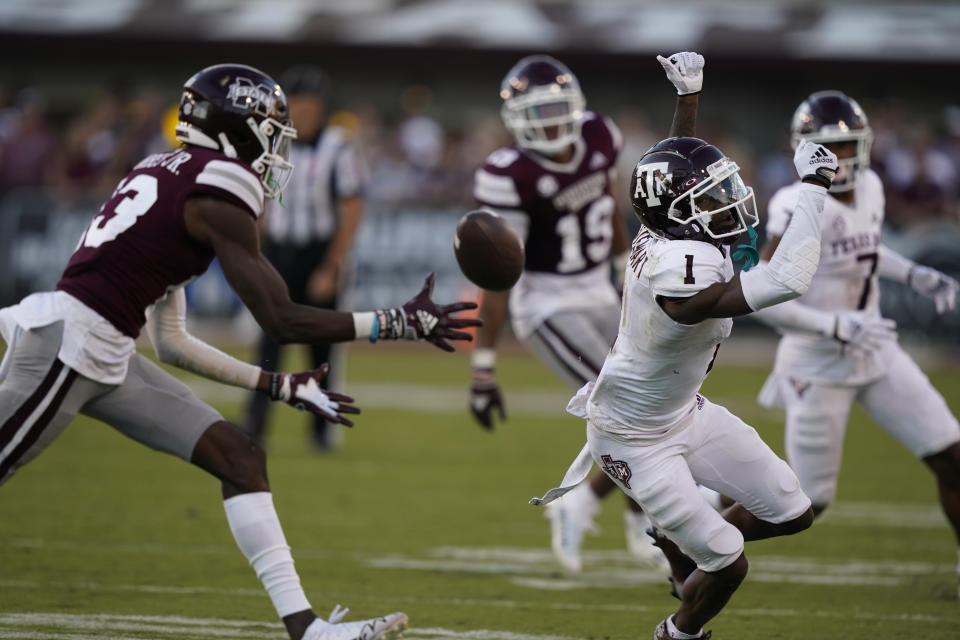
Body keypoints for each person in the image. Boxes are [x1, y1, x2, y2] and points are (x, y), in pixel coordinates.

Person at [0, 63, 480, 640]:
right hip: (70, 346)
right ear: (237, 128)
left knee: (240, 456)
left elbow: (171, 344)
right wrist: (397, 322)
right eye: (269, 130)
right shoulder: (222, 182)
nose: (275, 147)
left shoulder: (165, 168)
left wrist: (274, 385)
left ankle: (309, 630)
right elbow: (280, 317)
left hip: (105, 351)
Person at [530, 136, 840, 639]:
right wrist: (814, 184)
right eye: (710, 199)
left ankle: (677, 540)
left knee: (793, 513)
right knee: (729, 566)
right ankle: (677, 633)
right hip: (631, 440)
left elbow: (671, 163)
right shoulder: (680, 275)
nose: (727, 204)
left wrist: (687, 96)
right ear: (677, 215)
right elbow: (787, 280)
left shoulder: (665, 230)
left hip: (685, 413)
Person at [469, 51, 708, 573]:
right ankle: (634, 517)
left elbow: (608, 202)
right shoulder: (508, 174)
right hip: (550, 305)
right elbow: (501, 273)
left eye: (557, 110)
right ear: (516, 122)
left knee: (650, 401)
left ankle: (607, 510)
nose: (551, 123)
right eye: (537, 114)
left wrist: (628, 271)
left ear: (575, 108)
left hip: (603, 293)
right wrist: (483, 365)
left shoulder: (600, 135)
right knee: (628, 404)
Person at [752, 90, 960, 596]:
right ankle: (691, 531)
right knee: (807, 503)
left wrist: (913, 274)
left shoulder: (869, 185)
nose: (840, 159)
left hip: (874, 347)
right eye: (828, 149)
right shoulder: (794, 202)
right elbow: (765, 295)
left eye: (847, 147)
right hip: (817, 359)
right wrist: (835, 327)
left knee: (951, 454)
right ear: (803, 151)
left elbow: (865, 248)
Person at [245, 65, 366, 451]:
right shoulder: (273, 142)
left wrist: (332, 265)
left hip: (318, 251)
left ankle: (320, 431)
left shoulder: (339, 146)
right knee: (268, 342)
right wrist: (255, 255)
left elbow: (351, 208)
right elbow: (261, 202)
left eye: (308, 102)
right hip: (278, 253)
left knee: (321, 348)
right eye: (295, 102)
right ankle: (254, 425)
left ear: (321, 105)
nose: (302, 109)